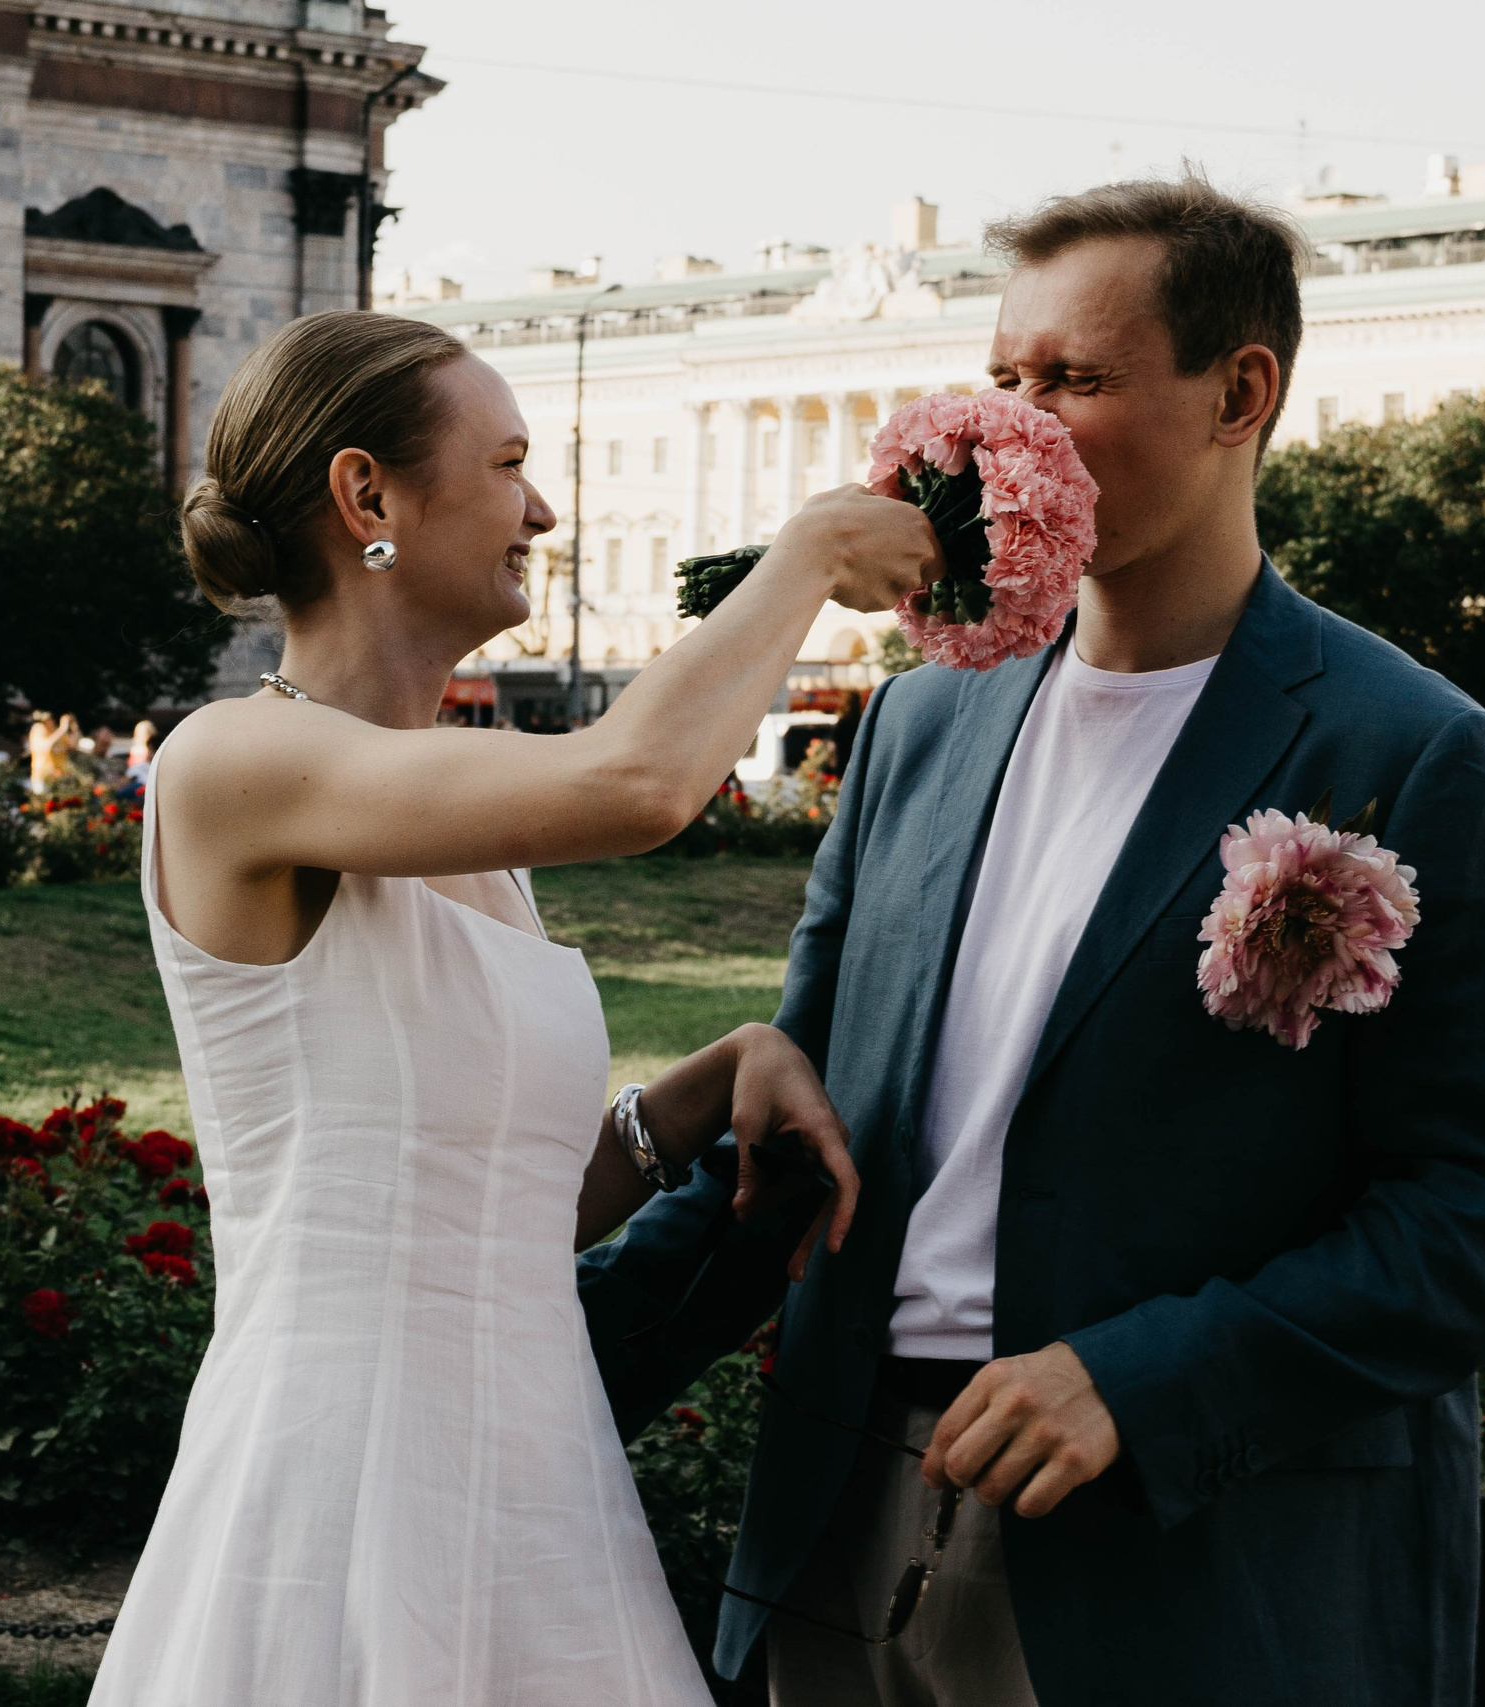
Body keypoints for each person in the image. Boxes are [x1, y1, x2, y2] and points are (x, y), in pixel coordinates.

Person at [581, 175, 1485, 1707]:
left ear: (1241, 392)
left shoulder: (1418, 753)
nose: (1016, 431)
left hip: (1188, 1564)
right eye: (1003, 380)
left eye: (1076, 382)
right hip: (838, 1527)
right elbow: (811, 1145)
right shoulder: (918, 720)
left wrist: (1148, 1375)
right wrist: (531, 1359)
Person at [85, 310, 939, 1707]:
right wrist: (811, 556)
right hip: (344, 1481)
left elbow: (496, 1203)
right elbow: (641, 785)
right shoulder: (232, 759)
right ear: (368, 496)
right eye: (509, 462)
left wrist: (722, 1070)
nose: (543, 507)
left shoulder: (462, 810)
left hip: (539, 1478)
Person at [24, 712, 61, 794]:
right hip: (41, 775)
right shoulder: (38, 728)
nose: (51, 722)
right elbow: (46, 746)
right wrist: (61, 729)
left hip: (53, 775)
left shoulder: (52, 731)